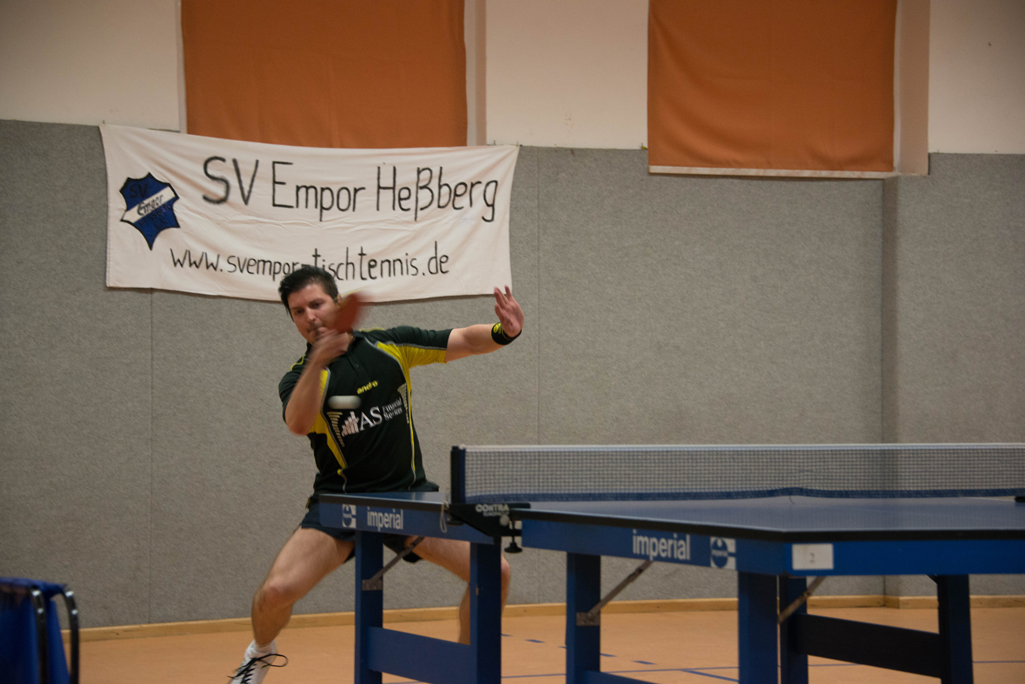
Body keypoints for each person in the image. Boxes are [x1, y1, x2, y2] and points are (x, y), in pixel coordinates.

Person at [229, 265, 521, 683]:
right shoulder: (300, 377)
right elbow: (298, 422)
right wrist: (318, 361)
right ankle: (259, 653)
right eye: (298, 311)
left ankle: (466, 670)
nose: (310, 316)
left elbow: (463, 340)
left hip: (408, 497)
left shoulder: (390, 345)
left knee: (494, 571)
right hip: (341, 504)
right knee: (276, 591)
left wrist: (503, 332)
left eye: (316, 304)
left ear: (337, 303)